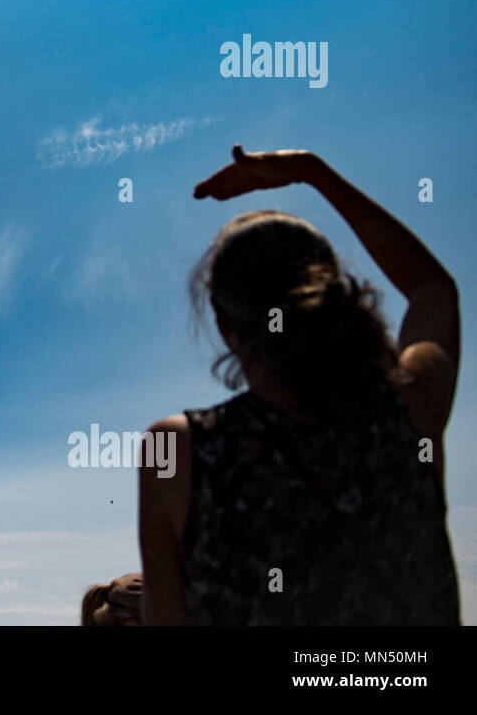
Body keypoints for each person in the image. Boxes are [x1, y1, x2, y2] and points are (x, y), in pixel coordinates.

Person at [139, 146, 461, 625]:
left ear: (224, 326)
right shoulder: (409, 405)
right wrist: (312, 173)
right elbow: (433, 289)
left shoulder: (176, 452)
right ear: (330, 294)